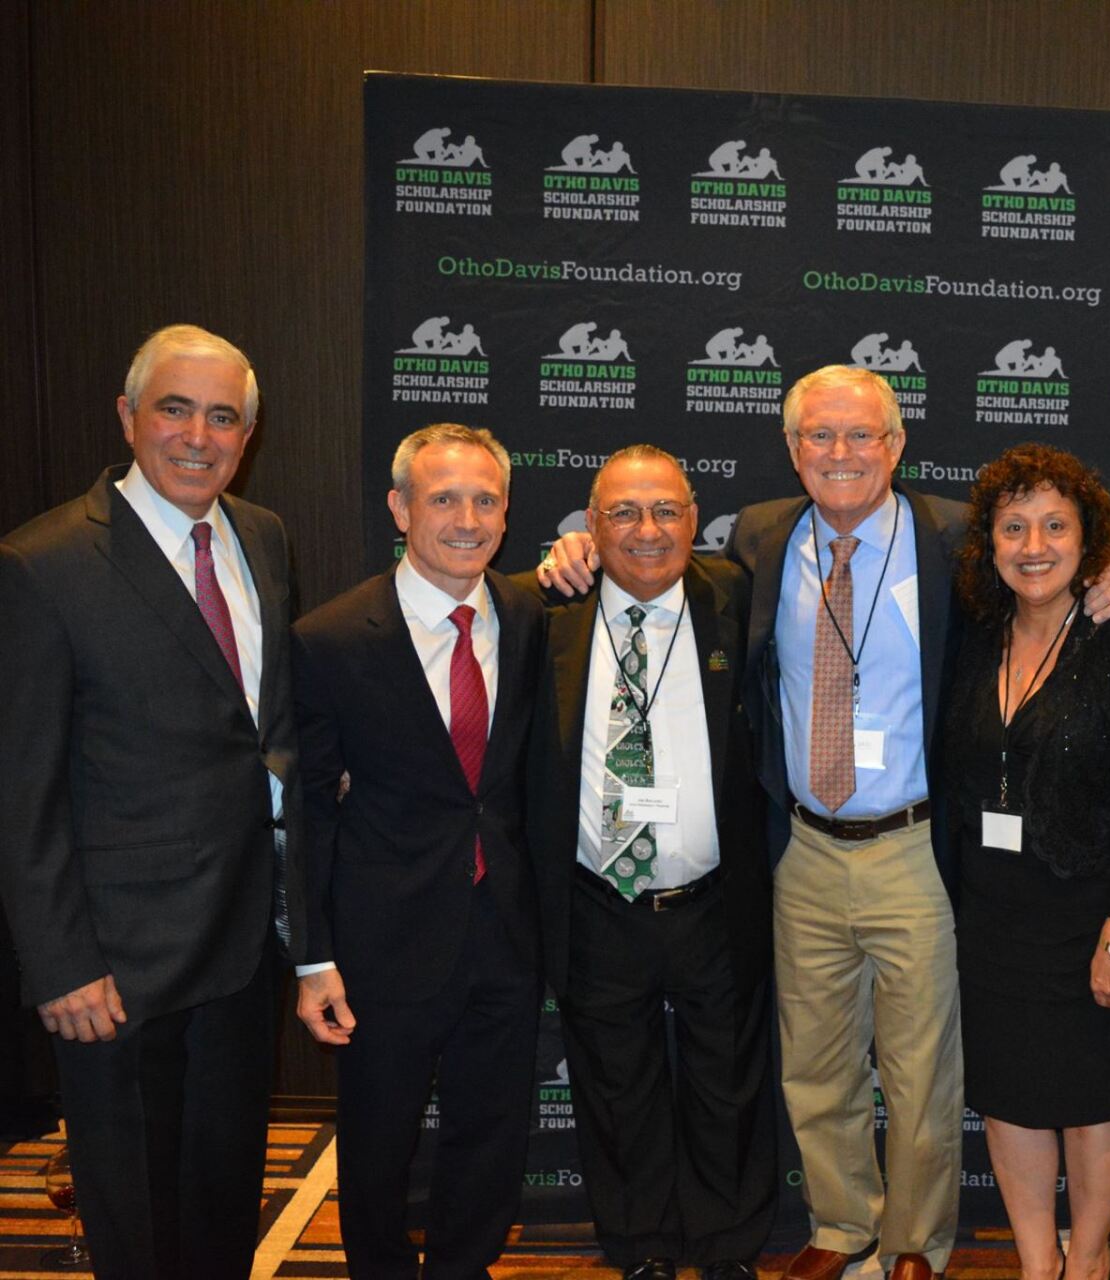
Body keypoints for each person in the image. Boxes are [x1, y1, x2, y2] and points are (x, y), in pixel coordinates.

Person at [538, 365, 1110, 1280]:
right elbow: (646, 568)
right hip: (804, 848)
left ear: (898, 446)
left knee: (921, 1067)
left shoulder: (953, 538)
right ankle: (840, 1224)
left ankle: (914, 1239)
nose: (841, 454)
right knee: (815, 1066)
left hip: (915, 846)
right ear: (791, 451)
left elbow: (1045, 558)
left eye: (863, 435)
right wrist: (568, 547)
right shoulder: (758, 537)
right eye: (819, 436)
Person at [0, 324, 300, 1280]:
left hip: (244, 950)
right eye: (176, 409)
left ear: (247, 435)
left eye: (224, 417)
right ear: (129, 417)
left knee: (220, 1208)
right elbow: (22, 789)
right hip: (116, 974)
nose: (199, 437)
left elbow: (263, 721)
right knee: (135, 1226)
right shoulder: (42, 563)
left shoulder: (263, 536)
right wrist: (60, 967)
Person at [292, 423, 545, 1279]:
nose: (466, 518)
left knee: (490, 1142)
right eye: (443, 498)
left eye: (485, 499)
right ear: (401, 508)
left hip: (505, 936)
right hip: (382, 945)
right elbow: (308, 813)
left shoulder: (530, 614)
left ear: (507, 514)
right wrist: (312, 956)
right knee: (376, 1150)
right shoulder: (330, 638)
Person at [525, 446, 775, 1280]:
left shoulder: (735, 599)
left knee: (726, 1086)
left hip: (714, 896)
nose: (647, 530)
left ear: (694, 520)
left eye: (666, 511)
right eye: (624, 513)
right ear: (589, 526)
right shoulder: (545, 609)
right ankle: (641, 1249)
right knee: (615, 1087)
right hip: (598, 897)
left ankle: (728, 1247)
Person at [946, 444, 1110, 1280]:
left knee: (1092, 1106)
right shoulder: (976, 638)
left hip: (1094, 919)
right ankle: (1037, 1264)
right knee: (1009, 1098)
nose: (1034, 544)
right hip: (994, 920)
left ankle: (1088, 1263)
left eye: (1055, 525)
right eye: (1014, 527)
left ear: (1091, 542)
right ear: (991, 542)